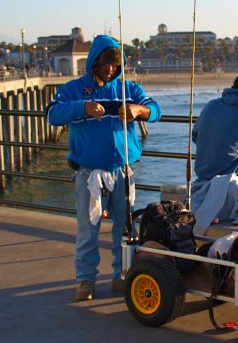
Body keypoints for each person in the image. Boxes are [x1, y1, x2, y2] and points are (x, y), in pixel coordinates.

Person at [47, 35, 162, 302]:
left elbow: (155, 109)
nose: (109, 69)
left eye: (114, 65)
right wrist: (83, 108)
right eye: (105, 64)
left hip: (123, 171)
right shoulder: (73, 89)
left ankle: (122, 275)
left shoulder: (128, 89)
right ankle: (85, 280)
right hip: (88, 173)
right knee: (89, 230)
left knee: (125, 229)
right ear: (94, 62)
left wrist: (138, 111)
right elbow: (52, 114)